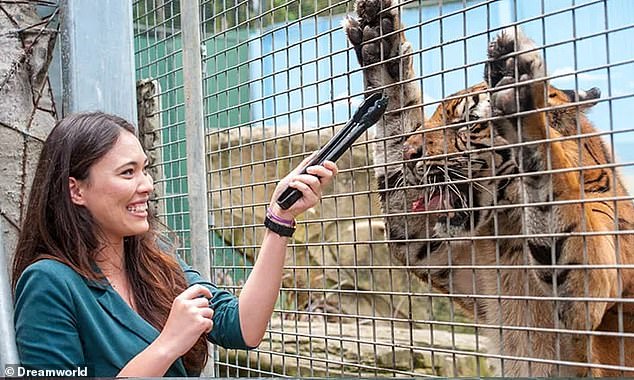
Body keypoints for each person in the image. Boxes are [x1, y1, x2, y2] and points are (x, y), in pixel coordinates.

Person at [11, 111, 338, 376]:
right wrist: (167, 344)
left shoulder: (156, 263)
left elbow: (244, 327)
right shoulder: (49, 283)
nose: (147, 185)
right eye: (128, 173)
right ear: (76, 190)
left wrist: (278, 219)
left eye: (145, 170)